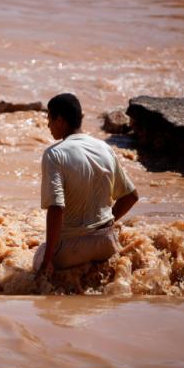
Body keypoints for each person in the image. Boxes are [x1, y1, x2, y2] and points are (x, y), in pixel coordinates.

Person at [34, 93, 139, 279]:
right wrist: (104, 227)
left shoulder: (54, 154)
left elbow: (57, 207)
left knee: (39, 258)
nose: (48, 125)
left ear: (59, 120)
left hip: (71, 251)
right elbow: (131, 196)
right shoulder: (104, 148)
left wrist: (47, 259)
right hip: (106, 244)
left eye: (49, 118)